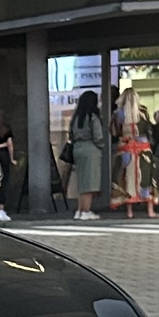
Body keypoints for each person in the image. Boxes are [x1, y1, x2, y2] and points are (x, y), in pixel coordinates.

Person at [67, 88, 106, 220]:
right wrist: (102, 147)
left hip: (77, 148)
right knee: (90, 182)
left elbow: (71, 134)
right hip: (90, 149)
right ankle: (86, 210)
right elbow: (98, 136)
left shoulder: (77, 117)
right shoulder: (93, 117)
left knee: (82, 182)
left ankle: (79, 210)